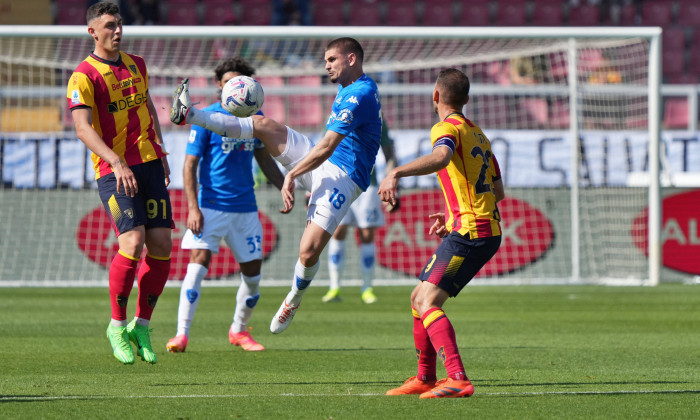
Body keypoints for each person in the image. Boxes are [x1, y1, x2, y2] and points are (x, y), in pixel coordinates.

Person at [170, 37, 382, 334]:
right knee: (263, 125)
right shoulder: (346, 88)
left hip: (343, 178)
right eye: (325, 60)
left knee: (308, 252)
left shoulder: (360, 94)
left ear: (351, 59)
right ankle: (190, 114)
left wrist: (294, 176)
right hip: (319, 163)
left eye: (331, 59)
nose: (326, 65)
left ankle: (293, 298)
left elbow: (328, 148)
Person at [378, 68, 504, 398]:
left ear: (436, 96)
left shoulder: (445, 128)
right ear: (466, 98)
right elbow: (498, 190)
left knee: (427, 299)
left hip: (472, 232)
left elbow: (441, 156)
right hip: (475, 227)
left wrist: (396, 172)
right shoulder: (479, 134)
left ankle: (458, 378)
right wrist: (452, 215)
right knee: (418, 298)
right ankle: (424, 378)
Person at [67, 1, 172, 365]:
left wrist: (161, 153)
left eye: (120, 23)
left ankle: (141, 325)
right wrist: (114, 160)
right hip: (113, 170)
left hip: (149, 164)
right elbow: (82, 127)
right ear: (92, 31)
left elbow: (148, 108)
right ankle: (116, 325)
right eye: (109, 25)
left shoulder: (136, 64)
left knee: (161, 245)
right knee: (133, 239)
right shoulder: (83, 75)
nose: (117, 30)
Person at [166, 58, 286, 353]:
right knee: (197, 266)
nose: (235, 87)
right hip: (211, 206)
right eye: (230, 82)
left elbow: (264, 159)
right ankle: (181, 334)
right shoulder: (206, 117)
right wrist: (193, 208)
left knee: (254, 278)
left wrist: (285, 186)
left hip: (246, 209)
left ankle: (239, 331)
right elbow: (189, 165)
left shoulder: (254, 118)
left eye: (241, 82)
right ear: (220, 85)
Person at [321, 114, 398, 304]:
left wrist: (392, 184)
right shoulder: (338, 114)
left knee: (366, 234)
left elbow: (389, 154)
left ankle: (367, 288)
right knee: (338, 231)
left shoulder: (377, 118)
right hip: (339, 182)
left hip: (367, 185)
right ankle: (334, 287)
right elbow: (324, 149)